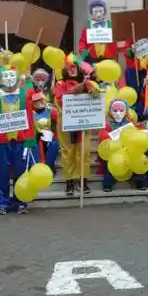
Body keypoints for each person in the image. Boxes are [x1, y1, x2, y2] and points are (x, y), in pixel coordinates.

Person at [0, 64, 37, 214]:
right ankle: (2, 203)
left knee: (21, 172)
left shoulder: (24, 95)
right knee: (2, 172)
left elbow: (29, 118)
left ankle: (20, 201)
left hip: (20, 140)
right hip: (3, 141)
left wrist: (29, 138)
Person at [53, 54, 100, 195]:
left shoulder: (86, 82)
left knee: (84, 152)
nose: (72, 69)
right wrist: (74, 90)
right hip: (66, 124)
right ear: (65, 69)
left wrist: (91, 89)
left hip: (83, 123)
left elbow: (97, 94)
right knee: (68, 153)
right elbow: (60, 99)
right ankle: (69, 183)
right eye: (69, 67)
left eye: (74, 66)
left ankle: (83, 181)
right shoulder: (59, 84)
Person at [78, 0, 119, 64]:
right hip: (92, 57)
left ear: (104, 12)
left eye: (100, 11)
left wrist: (114, 54)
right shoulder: (88, 26)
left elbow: (114, 41)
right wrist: (84, 53)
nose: (98, 14)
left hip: (107, 57)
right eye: (96, 11)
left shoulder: (109, 25)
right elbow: (82, 41)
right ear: (91, 12)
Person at [32, 92, 59, 173]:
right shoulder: (31, 113)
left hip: (49, 136)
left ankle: (49, 164)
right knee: (38, 144)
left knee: (54, 144)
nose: (41, 102)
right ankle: (41, 165)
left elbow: (60, 119)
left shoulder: (51, 111)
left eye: (42, 100)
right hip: (36, 136)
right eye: (38, 100)